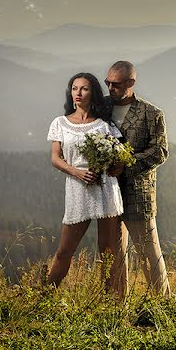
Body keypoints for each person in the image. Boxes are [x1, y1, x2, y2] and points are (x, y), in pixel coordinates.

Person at [46, 72, 127, 299]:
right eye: (74, 88)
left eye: (84, 89)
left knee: (108, 251)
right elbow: (55, 158)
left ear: (93, 94)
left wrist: (114, 165)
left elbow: (119, 156)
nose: (78, 93)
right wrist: (76, 172)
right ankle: (43, 297)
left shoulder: (104, 125)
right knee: (64, 251)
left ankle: (109, 302)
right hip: (77, 187)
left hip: (105, 188)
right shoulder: (60, 123)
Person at [104, 60, 172, 296]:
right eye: (107, 83)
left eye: (116, 84)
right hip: (106, 193)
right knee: (110, 254)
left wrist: (127, 165)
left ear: (131, 83)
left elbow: (160, 151)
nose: (110, 88)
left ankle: (162, 305)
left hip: (138, 195)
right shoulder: (100, 108)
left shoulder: (151, 113)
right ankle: (114, 307)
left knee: (149, 253)